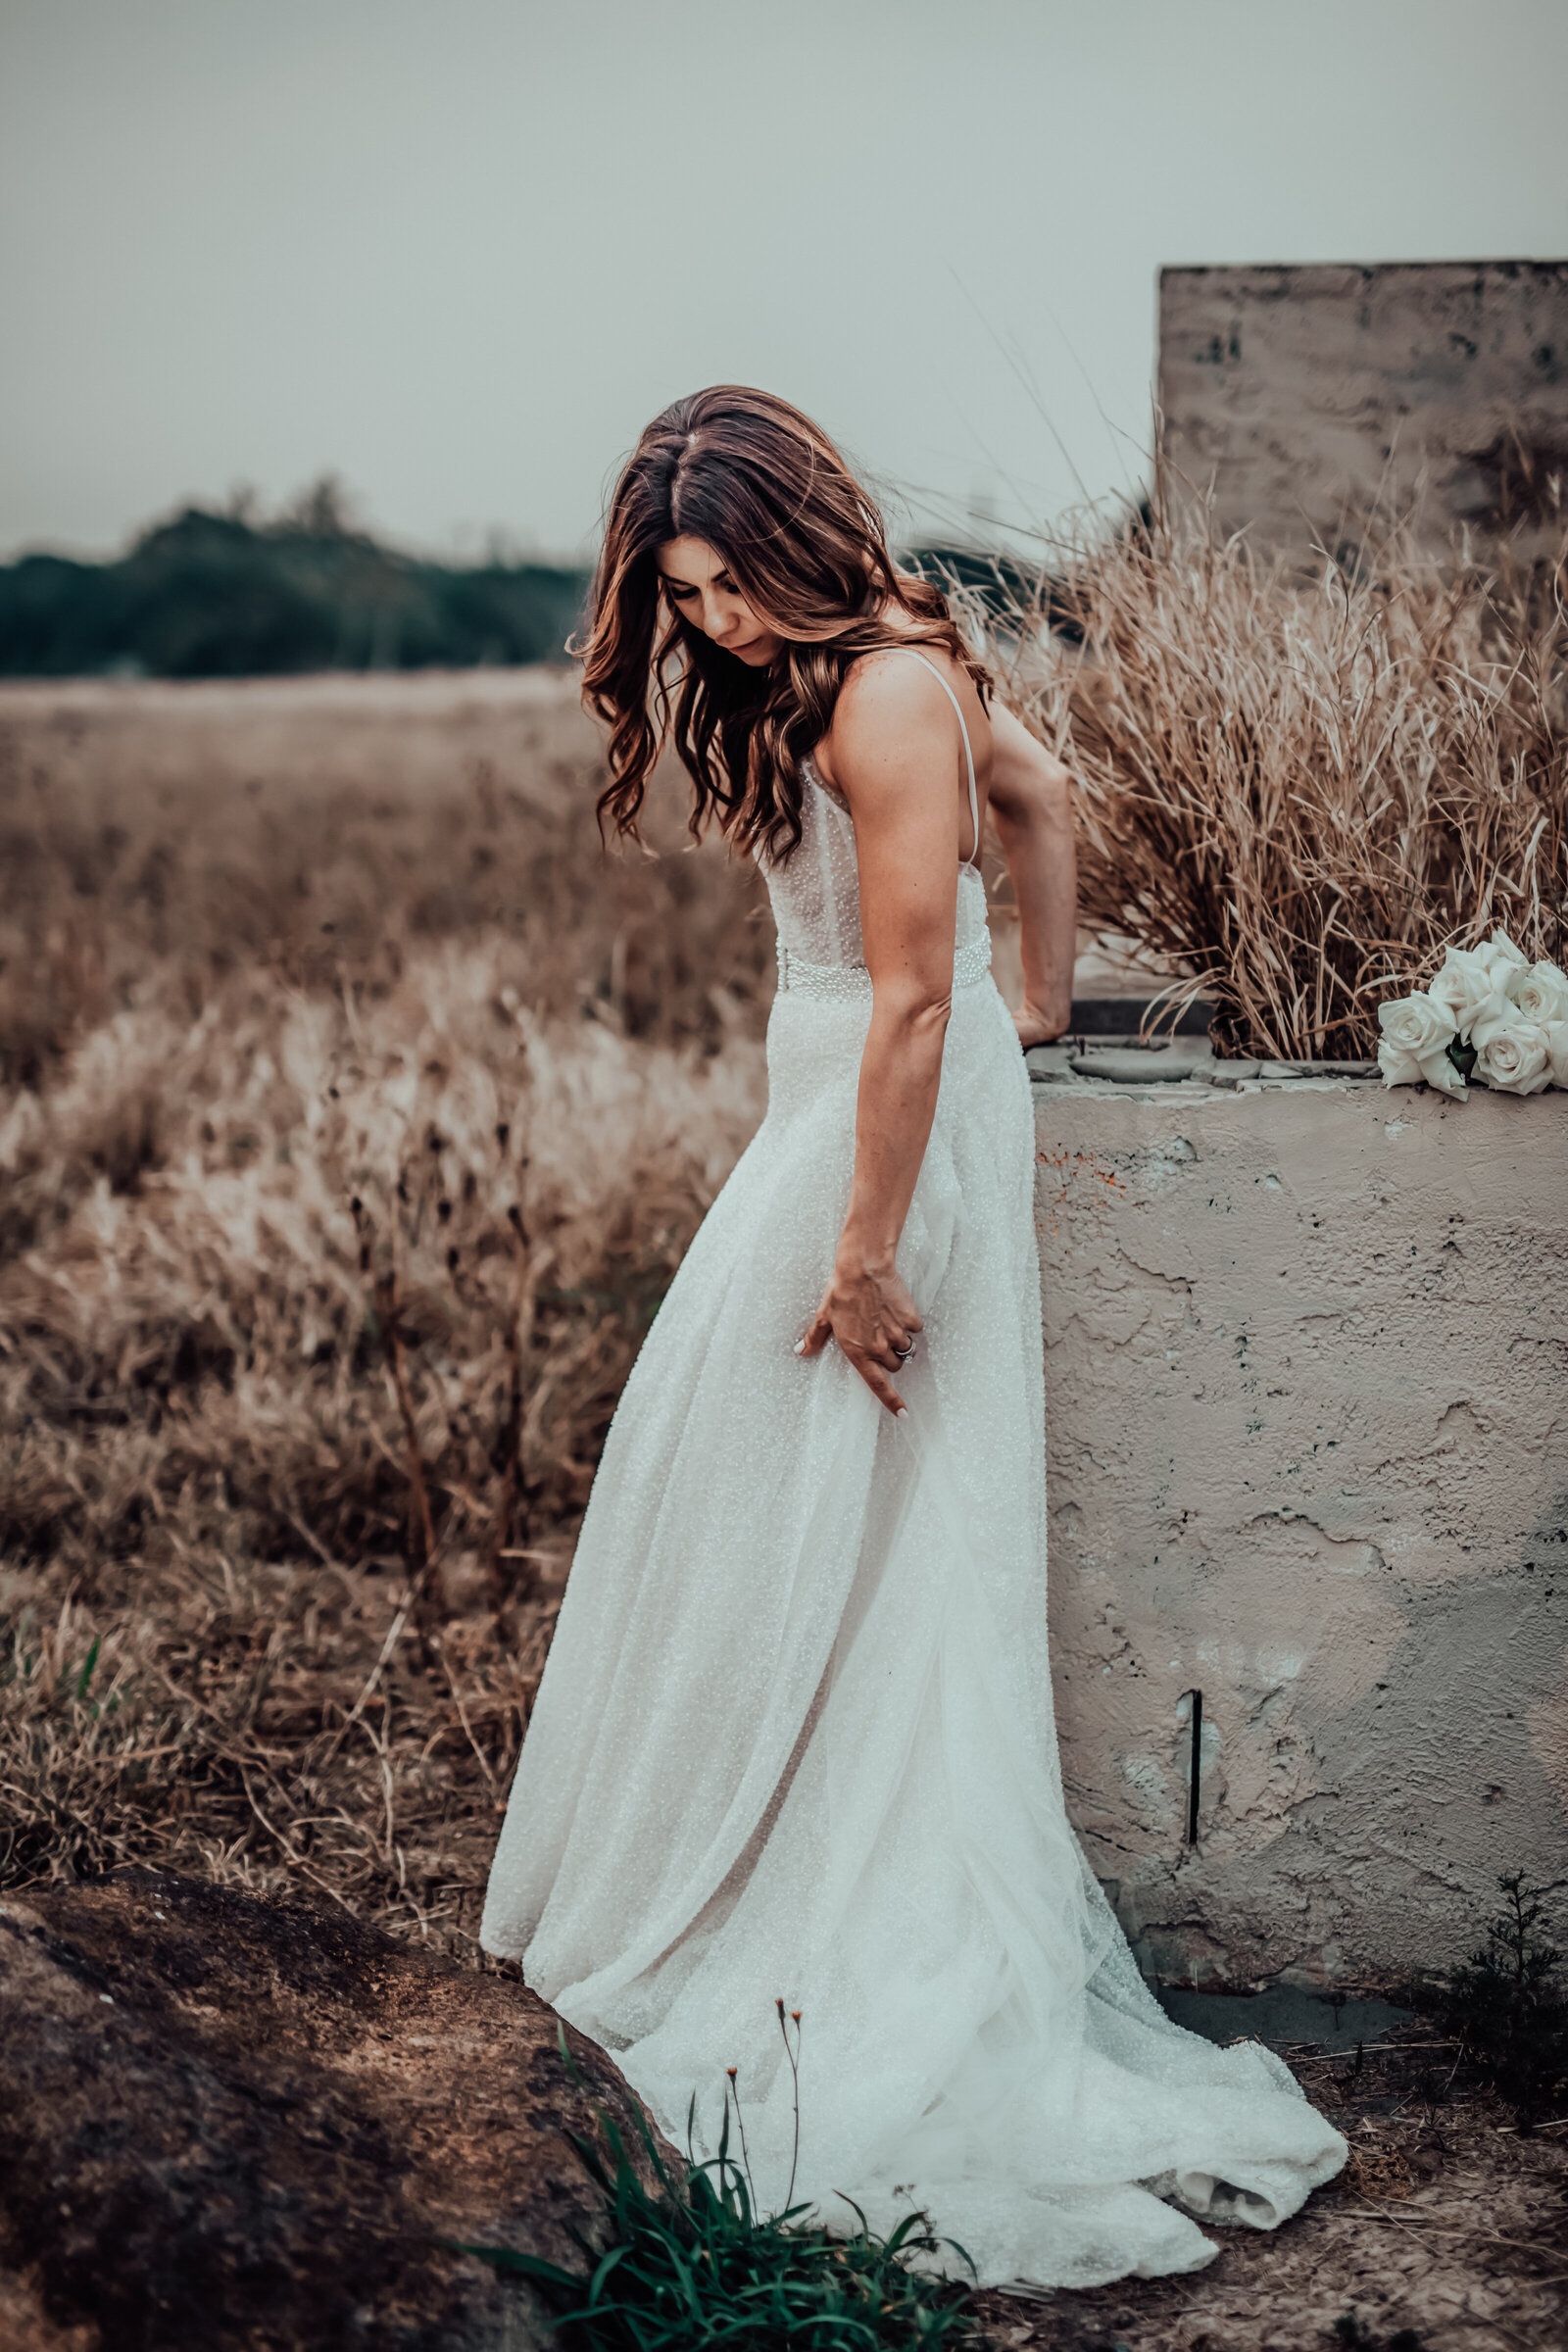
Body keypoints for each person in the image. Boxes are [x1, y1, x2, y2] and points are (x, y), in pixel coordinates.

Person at [481, 386, 1345, 2290]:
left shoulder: (871, 690)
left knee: (810, 1490)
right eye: (680, 599)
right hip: (868, 1105)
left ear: (792, 532)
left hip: (869, 1127)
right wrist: (1044, 994)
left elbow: (899, 1006)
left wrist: (868, 1246)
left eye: (719, 586)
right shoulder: (904, 658)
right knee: (802, 1500)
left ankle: (830, 1902)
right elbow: (1037, 802)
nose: (706, 628)